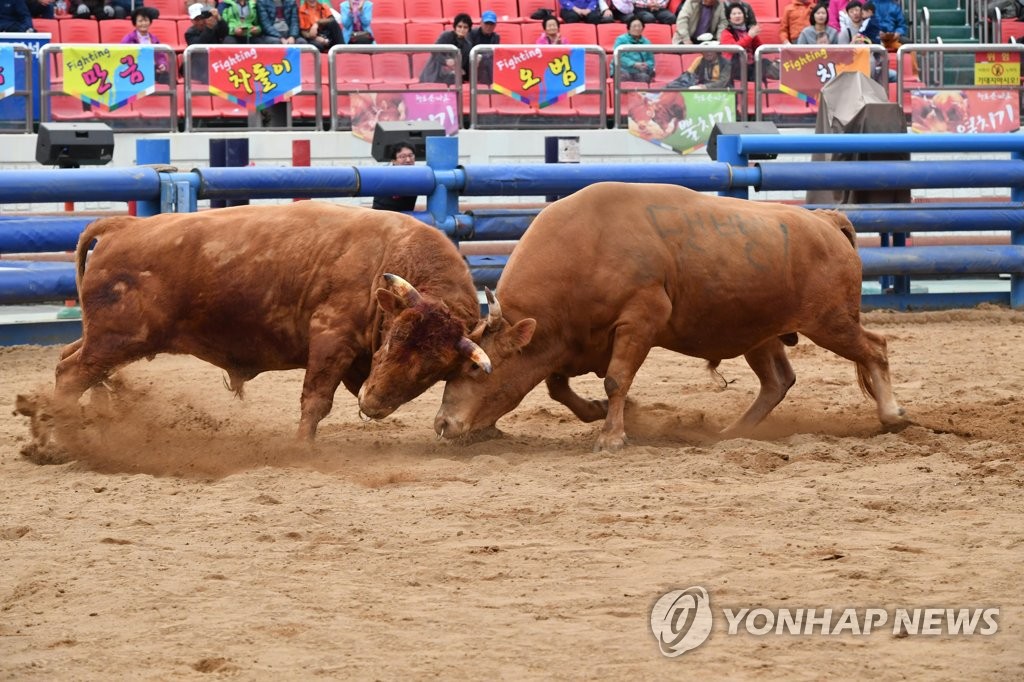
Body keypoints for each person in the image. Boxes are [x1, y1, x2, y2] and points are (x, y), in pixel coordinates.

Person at [720, 1, 770, 83]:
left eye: (739, 13)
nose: (737, 16)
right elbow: (734, 49)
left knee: (765, 63)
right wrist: (750, 36)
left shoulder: (749, 31)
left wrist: (754, 36)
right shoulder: (726, 32)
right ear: (729, 18)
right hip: (734, 67)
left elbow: (759, 47)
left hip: (750, 65)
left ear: (744, 16)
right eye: (734, 14)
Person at [122, 6, 172, 85]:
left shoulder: (154, 39)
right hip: (136, 70)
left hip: (153, 69)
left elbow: (160, 56)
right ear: (135, 23)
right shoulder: (128, 39)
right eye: (140, 21)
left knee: (169, 78)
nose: (143, 23)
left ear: (150, 22)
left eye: (146, 20)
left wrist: (162, 65)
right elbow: (123, 56)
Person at [418, 13, 472, 85]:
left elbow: (463, 65)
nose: (462, 29)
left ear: (469, 29)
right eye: (459, 26)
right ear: (455, 27)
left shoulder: (468, 45)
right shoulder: (446, 36)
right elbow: (434, 51)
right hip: (434, 73)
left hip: (451, 77)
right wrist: (445, 61)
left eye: (465, 27)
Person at [667, 32, 731, 89]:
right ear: (701, 52)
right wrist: (671, 86)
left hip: (722, 93)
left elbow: (723, 83)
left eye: (711, 50)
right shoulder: (699, 60)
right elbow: (687, 76)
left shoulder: (726, 63)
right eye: (705, 50)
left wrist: (704, 87)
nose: (708, 53)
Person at [184, 3, 227, 83]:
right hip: (199, 67)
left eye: (202, 18)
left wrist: (219, 19)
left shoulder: (215, 27)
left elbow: (225, 33)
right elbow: (198, 45)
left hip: (217, 62)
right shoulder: (189, 33)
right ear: (192, 21)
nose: (200, 22)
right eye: (197, 19)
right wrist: (209, 29)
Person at [372, 143, 418, 212]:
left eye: (411, 155)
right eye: (403, 157)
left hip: (406, 219)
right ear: (394, 161)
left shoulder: (419, 176)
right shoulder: (386, 176)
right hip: (383, 218)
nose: (408, 160)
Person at [613, 16, 654, 83]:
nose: (637, 28)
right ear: (628, 29)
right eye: (634, 26)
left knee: (645, 77)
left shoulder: (647, 42)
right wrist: (633, 64)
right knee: (624, 77)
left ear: (643, 28)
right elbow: (618, 57)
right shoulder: (621, 40)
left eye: (639, 26)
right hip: (623, 69)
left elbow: (651, 60)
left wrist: (646, 65)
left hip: (640, 71)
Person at [470, 10, 500, 85]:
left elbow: (493, 54)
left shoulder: (496, 37)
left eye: (491, 24)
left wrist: (482, 56)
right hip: (472, 63)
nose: (489, 27)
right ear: (481, 23)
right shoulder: (472, 33)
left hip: (486, 65)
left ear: (495, 25)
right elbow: (468, 50)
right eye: (486, 23)